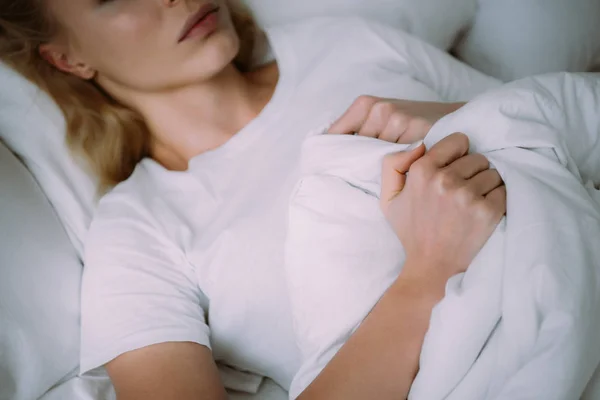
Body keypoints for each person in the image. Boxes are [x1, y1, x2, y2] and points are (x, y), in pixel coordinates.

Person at [0, 0, 506, 399]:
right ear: (68, 57)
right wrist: (429, 274)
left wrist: (459, 119)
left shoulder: (345, 43)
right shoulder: (135, 232)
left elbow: (570, 120)